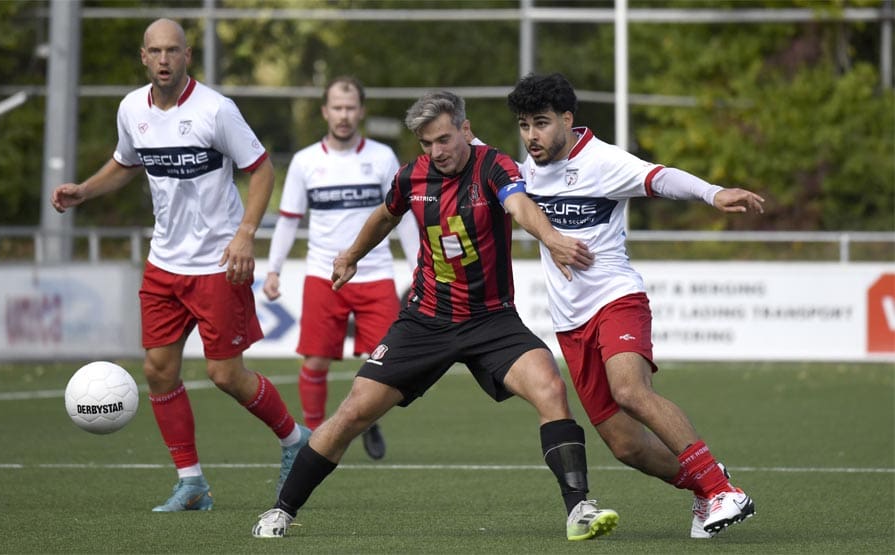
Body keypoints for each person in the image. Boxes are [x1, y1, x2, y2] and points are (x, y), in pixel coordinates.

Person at [252, 90, 618, 541]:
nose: (437, 152)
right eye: (427, 144)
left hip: (491, 320)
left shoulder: (494, 165)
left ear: (465, 129)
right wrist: (350, 255)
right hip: (425, 319)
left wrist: (552, 238)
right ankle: (281, 511)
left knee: (550, 387)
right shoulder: (411, 177)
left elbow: (519, 206)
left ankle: (578, 508)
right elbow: (384, 217)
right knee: (352, 412)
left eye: (444, 139)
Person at [50, 18, 309, 511]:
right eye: (156, 51)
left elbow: (261, 168)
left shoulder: (216, 110)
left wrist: (245, 236)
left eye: (173, 50)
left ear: (188, 56)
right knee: (158, 370)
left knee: (225, 375)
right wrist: (85, 189)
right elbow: (127, 162)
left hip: (217, 265)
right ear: (144, 57)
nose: (164, 59)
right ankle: (191, 482)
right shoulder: (132, 109)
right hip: (164, 263)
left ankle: (294, 439)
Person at [506, 72, 762, 538]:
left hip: (616, 299)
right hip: (569, 323)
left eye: (541, 124)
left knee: (630, 390)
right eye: (524, 125)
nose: (532, 136)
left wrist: (713, 193)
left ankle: (723, 489)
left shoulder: (603, 161)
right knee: (626, 446)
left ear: (567, 119)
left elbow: (659, 177)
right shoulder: (527, 167)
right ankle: (706, 490)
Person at [262, 76, 419, 460]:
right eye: (337, 107)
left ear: (360, 111)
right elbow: (288, 219)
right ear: (325, 112)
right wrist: (273, 269)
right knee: (314, 360)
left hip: (375, 272)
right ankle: (313, 439)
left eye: (350, 107)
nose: (344, 115)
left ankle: (366, 419)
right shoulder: (306, 162)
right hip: (324, 274)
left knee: (383, 364)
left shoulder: (382, 158)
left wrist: (420, 268)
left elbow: (404, 218)